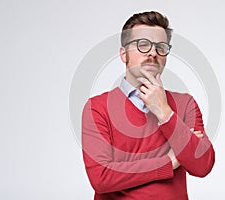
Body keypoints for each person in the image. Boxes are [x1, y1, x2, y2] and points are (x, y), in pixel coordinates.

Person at [82, 11, 215, 200]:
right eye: (143, 45)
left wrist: (165, 113)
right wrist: (169, 162)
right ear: (123, 54)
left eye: (161, 47)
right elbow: (102, 177)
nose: (153, 52)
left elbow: (202, 166)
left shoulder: (185, 104)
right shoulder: (97, 108)